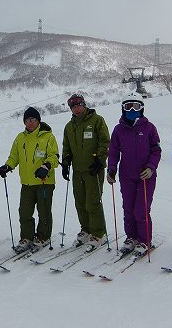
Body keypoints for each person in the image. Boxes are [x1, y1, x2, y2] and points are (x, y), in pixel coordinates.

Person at [0, 107, 59, 253]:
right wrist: (7, 166)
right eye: (27, 120)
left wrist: (46, 166)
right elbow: (14, 156)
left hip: (44, 181)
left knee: (44, 211)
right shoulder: (20, 138)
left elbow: (54, 157)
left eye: (33, 119)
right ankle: (27, 237)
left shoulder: (48, 137)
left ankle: (43, 237)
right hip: (26, 183)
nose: (30, 122)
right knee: (24, 212)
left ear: (38, 120)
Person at [107, 94, 161, 255]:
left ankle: (144, 240)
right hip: (127, 175)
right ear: (123, 109)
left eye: (135, 106)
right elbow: (113, 152)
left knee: (141, 209)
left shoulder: (149, 128)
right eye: (128, 106)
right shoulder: (119, 130)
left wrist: (151, 167)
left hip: (146, 176)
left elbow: (156, 150)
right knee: (128, 208)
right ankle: (131, 237)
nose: (131, 110)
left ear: (141, 108)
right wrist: (111, 169)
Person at [61, 94, 110, 248]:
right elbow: (66, 146)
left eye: (78, 105)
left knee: (93, 202)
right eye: (73, 107)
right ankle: (86, 229)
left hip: (93, 169)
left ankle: (99, 233)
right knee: (80, 201)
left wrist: (100, 159)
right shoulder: (69, 126)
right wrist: (65, 162)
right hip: (78, 170)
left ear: (84, 105)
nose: (76, 109)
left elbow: (105, 142)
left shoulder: (97, 120)